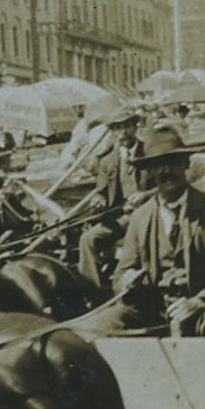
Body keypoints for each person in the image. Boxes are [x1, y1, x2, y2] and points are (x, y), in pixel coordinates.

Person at [113, 123, 205, 338]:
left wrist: (199, 301)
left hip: (202, 310)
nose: (165, 171)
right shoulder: (140, 218)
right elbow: (120, 275)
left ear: (185, 163)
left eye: (172, 163)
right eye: (158, 165)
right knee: (109, 322)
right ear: (150, 171)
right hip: (156, 313)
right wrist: (126, 281)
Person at [77, 112, 146, 288]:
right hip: (121, 218)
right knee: (87, 239)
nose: (123, 132)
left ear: (135, 127)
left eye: (126, 126)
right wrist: (98, 200)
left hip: (149, 214)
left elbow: (165, 187)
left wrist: (145, 195)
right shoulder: (107, 160)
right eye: (117, 128)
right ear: (113, 132)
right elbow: (101, 191)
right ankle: (93, 291)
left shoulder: (149, 151)